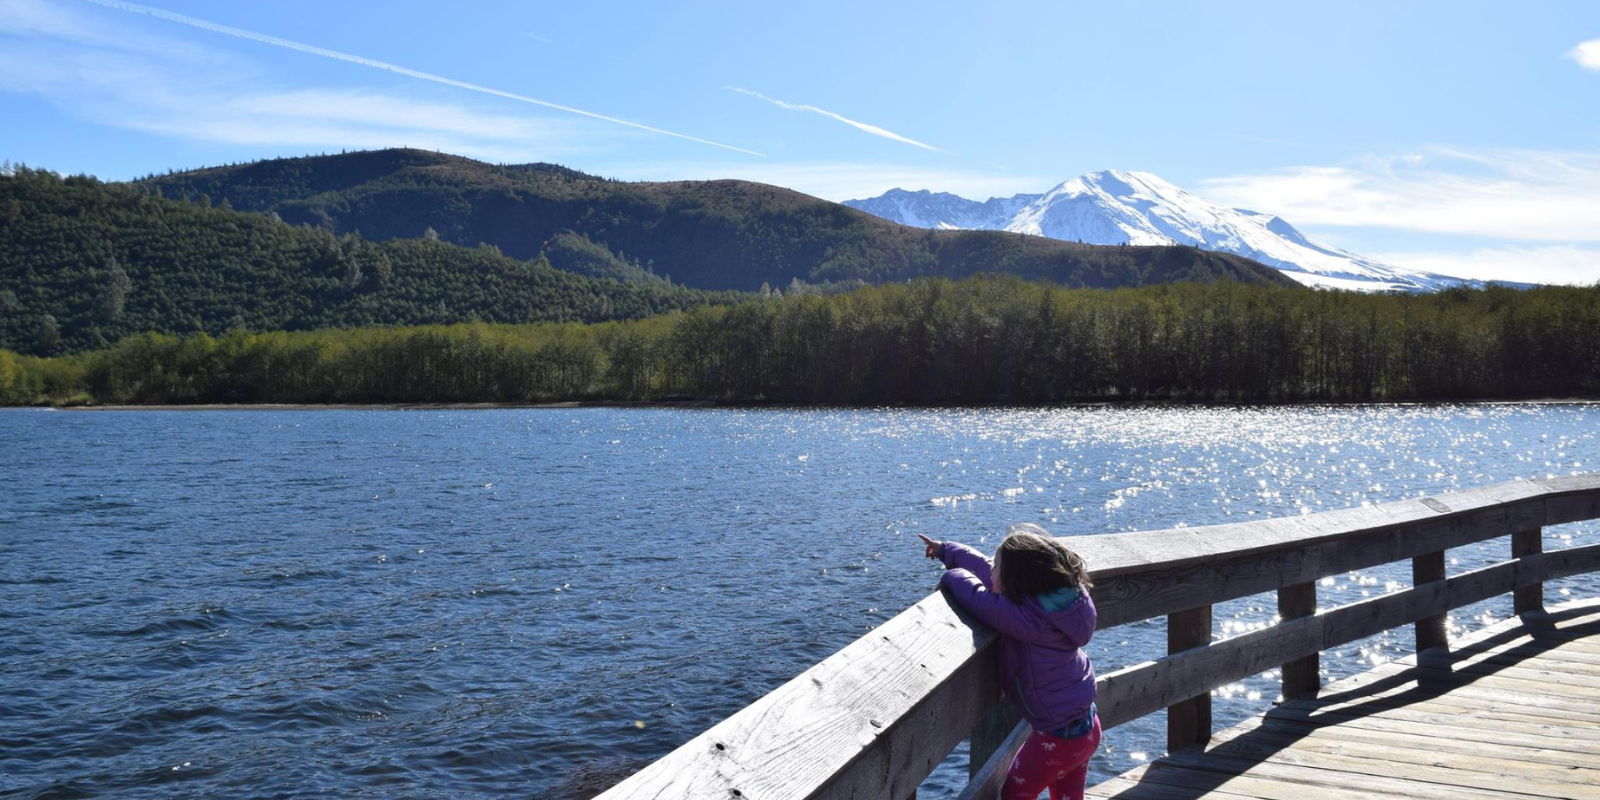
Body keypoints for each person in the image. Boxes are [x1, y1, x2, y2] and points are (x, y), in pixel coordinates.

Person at [918, 523, 1099, 800]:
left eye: (997, 568)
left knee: (1016, 793)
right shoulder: (1056, 604)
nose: (991, 571)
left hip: (1057, 737)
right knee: (1067, 795)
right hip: (1086, 725)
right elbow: (984, 567)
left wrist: (953, 576)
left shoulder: (1028, 620)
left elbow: (980, 599)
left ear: (1017, 579)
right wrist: (946, 551)